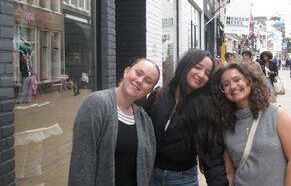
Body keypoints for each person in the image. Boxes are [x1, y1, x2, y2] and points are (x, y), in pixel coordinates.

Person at [68, 58, 160, 186]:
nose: (140, 81)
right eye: (138, 73)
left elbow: (148, 173)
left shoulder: (145, 121)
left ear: (149, 91)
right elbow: (82, 165)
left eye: (148, 81)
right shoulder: (96, 104)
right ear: (126, 72)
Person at [142, 49, 228, 186]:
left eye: (207, 73)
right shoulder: (159, 95)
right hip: (150, 175)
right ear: (186, 65)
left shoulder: (207, 107)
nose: (201, 75)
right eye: (198, 67)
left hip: (183, 179)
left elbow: (213, 155)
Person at [213, 63, 291, 186]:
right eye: (226, 84)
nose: (232, 86)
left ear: (249, 80)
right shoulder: (227, 124)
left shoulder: (276, 114)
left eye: (237, 79)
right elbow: (230, 172)